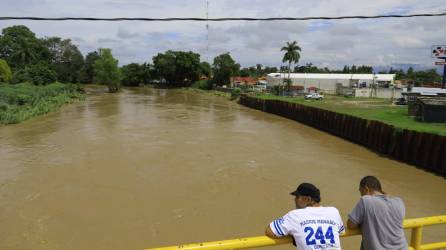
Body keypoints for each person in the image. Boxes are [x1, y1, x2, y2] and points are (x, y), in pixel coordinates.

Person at [265, 183, 345, 250]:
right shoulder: (333, 211)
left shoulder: (295, 215)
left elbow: (269, 231)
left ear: (308, 199)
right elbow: (341, 231)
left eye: (297, 197)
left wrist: (294, 236)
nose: (295, 200)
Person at [347, 176, 407, 250]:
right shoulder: (399, 202)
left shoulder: (366, 201)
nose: (361, 195)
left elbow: (351, 225)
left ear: (366, 189)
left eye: (361, 191)